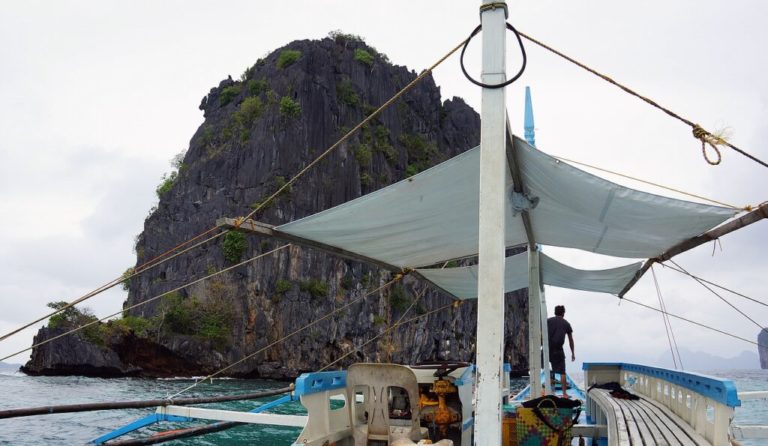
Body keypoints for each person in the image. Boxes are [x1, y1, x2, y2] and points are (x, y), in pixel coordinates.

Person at [547, 305, 574, 397]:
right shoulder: (566, 323)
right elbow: (571, 340)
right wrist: (573, 353)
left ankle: (549, 391)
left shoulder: (548, 321)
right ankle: (564, 393)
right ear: (563, 313)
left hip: (547, 349)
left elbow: (541, 333)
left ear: (555, 312)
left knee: (548, 369)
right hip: (558, 350)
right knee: (562, 372)